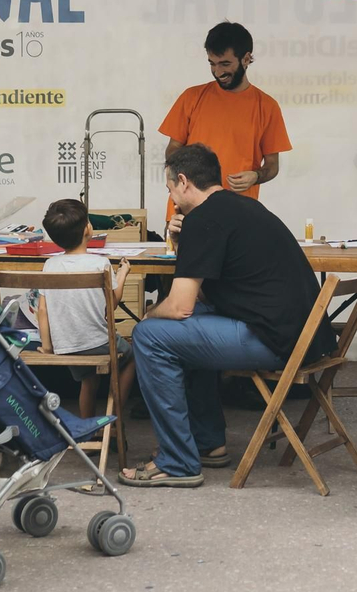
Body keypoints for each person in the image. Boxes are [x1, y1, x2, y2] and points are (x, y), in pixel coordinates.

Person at [120, 144, 326, 488]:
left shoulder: (203, 219)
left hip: (274, 340)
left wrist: (147, 315)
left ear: (183, 181)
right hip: (302, 336)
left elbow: (179, 306)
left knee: (150, 335)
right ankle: (208, 442)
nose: (171, 197)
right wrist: (182, 244)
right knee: (185, 324)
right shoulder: (242, 207)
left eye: (170, 188)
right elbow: (202, 298)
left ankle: (176, 461)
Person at [158, 22, 290, 231]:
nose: (218, 72)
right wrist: (188, 174)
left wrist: (255, 176)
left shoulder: (267, 106)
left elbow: (272, 165)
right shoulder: (191, 97)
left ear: (246, 59)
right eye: (212, 63)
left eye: (225, 64)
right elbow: (173, 149)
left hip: (239, 214)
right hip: (186, 211)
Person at [37, 198, 133, 417]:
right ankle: (114, 416)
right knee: (131, 356)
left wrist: (48, 347)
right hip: (98, 342)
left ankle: (87, 427)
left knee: (89, 380)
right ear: (87, 229)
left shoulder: (49, 265)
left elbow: (42, 310)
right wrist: (122, 274)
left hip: (65, 345)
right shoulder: (100, 264)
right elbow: (112, 304)